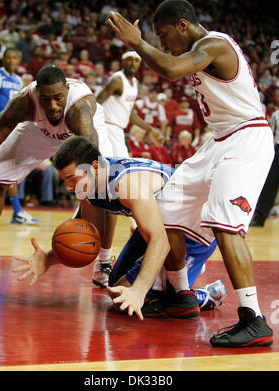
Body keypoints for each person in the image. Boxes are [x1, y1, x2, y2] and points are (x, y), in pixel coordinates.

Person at [108, 0, 274, 347]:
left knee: (223, 221)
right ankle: (181, 294)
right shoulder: (199, 51)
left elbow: (169, 68)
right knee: (166, 210)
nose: (164, 42)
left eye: (165, 34)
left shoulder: (214, 43)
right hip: (218, 140)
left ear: (183, 25)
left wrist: (138, 42)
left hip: (246, 137)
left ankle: (253, 318)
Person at [12, 135, 227, 319]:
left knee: (131, 298)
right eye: (64, 180)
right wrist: (49, 259)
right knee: (116, 287)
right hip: (160, 226)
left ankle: (201, 294)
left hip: (192, 229)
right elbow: (86, 239)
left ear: (94, 167)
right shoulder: (89, 185)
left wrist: (139, 290)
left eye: (71, 179)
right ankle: (168, 279)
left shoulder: (125, 184)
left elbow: (159, 241)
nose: (68, 187)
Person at [0, 64, 112, 288]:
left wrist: (83, 207)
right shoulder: (23, 103)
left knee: (105, 185)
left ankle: (104, 264)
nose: (52, 105)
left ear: (67, 91)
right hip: (36, 131)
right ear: (37, 93)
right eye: (46, 99)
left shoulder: (80, 110)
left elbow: (93, 170)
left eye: (58, 97)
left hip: (80, 136)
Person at [92, 51, 163, 289]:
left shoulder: (133, 83)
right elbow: (96, 102)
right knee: (109, 184)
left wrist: (149, 127)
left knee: (122, 183)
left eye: (136, 61)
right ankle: (131, 224)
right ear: (123, 62)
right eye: (129, 60)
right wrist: (94, 129)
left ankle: (136, 221)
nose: (133, 63)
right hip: (107, 130)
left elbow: (128, 113)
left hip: (119, 132)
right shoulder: (117, 79)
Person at [0, 48, 39, 227]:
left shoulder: (18, 80)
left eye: (14, 57)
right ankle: (18, 211)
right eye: (8, 57)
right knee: (7, 168)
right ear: (3, 59)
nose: (11, 60)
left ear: (19, 59)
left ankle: (18, 212)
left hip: (13, 129)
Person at [250, 108, 279, 226]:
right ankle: (259, 218)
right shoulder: (276, 114)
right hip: (277, 149)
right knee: (269, 186)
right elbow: (272, 133)